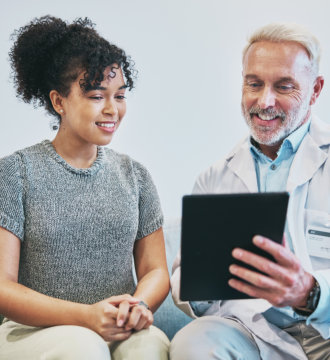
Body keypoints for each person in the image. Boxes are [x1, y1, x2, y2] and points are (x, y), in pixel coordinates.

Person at [0, 15, 170, 360]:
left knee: (150, 347)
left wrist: (137, 305)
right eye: (96, 95)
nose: (112, 109)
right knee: (84, 347)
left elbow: (155, 271)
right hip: (33, 334)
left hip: (117, 328)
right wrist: (87, 317)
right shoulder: (15, 173)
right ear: (58, 101)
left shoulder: (135, 176)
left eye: (119, 95)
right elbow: (3, 288)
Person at [170, 23, 330, 360]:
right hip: (253, 331)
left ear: (315, 90)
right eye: (253, 84)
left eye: (284, 86)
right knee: (193, 343)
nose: (264, 101)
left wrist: (310, 292)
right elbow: (185, 275)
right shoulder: (214, 178)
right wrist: (197, 286)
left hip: (325, 327)